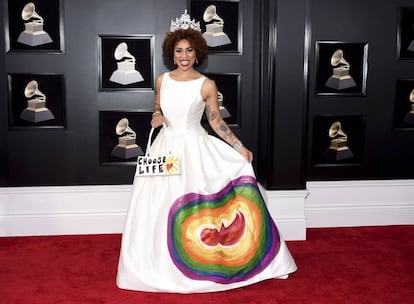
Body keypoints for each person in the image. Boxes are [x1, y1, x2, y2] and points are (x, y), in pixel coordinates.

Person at [116, 10, 297, 293]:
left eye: (189, 50)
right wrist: (155, 117)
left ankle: (208, 262)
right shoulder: (162, 80)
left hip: (194, 149)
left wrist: (239, 147)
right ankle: (155, 265)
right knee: (157, 206)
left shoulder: (206, 84)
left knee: (196, 206)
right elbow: (157, 107)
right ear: (171, 53)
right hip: (165, 150)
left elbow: (215, 121)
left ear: (197, 53)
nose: (184, 55)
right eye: (178, 50)